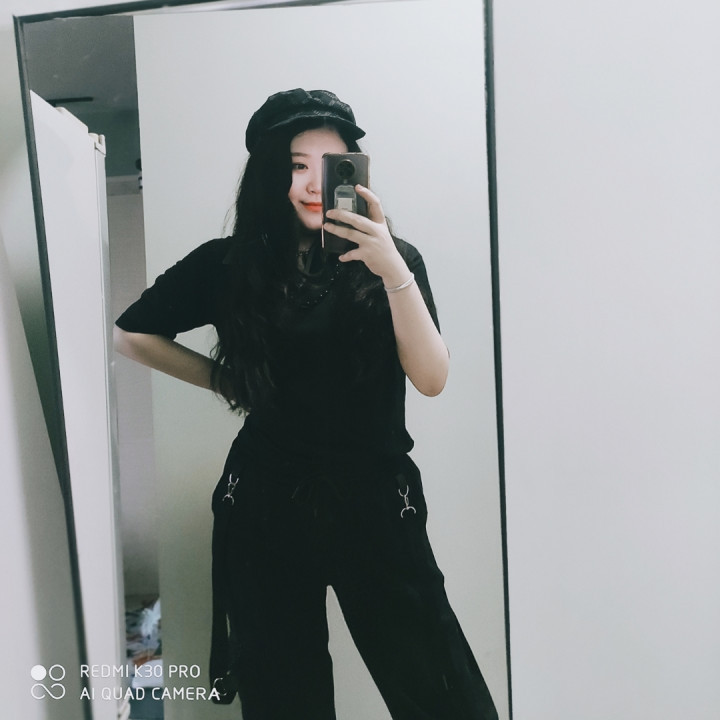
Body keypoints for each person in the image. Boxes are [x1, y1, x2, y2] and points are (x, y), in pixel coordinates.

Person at [114, 88, 498, 720]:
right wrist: (227, 381)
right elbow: (131, 335)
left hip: (376, 500)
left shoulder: (393, 261)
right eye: (296, 164)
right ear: (268, 172)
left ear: (355, 171)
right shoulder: (229, 264)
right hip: (266, 500)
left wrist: (392, 270)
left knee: (438, 688)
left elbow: (431, 379)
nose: (315, 183)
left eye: (332, 164)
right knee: (283, 696)